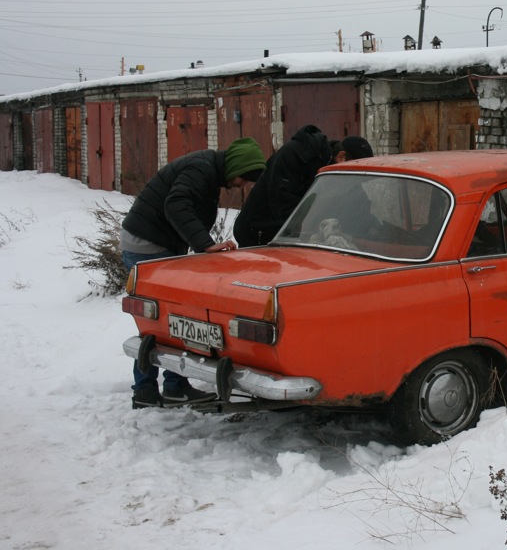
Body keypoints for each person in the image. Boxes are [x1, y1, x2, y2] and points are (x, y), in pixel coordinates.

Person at [121, 137, 267, 409]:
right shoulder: (201, 169)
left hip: (154, 244)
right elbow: (177, 204)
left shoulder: (207, 169)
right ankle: (151, 389)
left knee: (170, 318)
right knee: (161, 320)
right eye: (243, 178)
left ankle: (169, 387)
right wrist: (205, 244)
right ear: (235, 166)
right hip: (148, 247)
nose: (241, 185)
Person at [233, 128, 373, 248]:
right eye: (352, 172)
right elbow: (283, 205)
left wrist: (375, 230)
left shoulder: (334, 170)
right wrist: (306, 237)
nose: (350, 181)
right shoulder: (295, 156)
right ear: (341, 157)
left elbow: (359, 204)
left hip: (288, 237)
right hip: (258, 233)